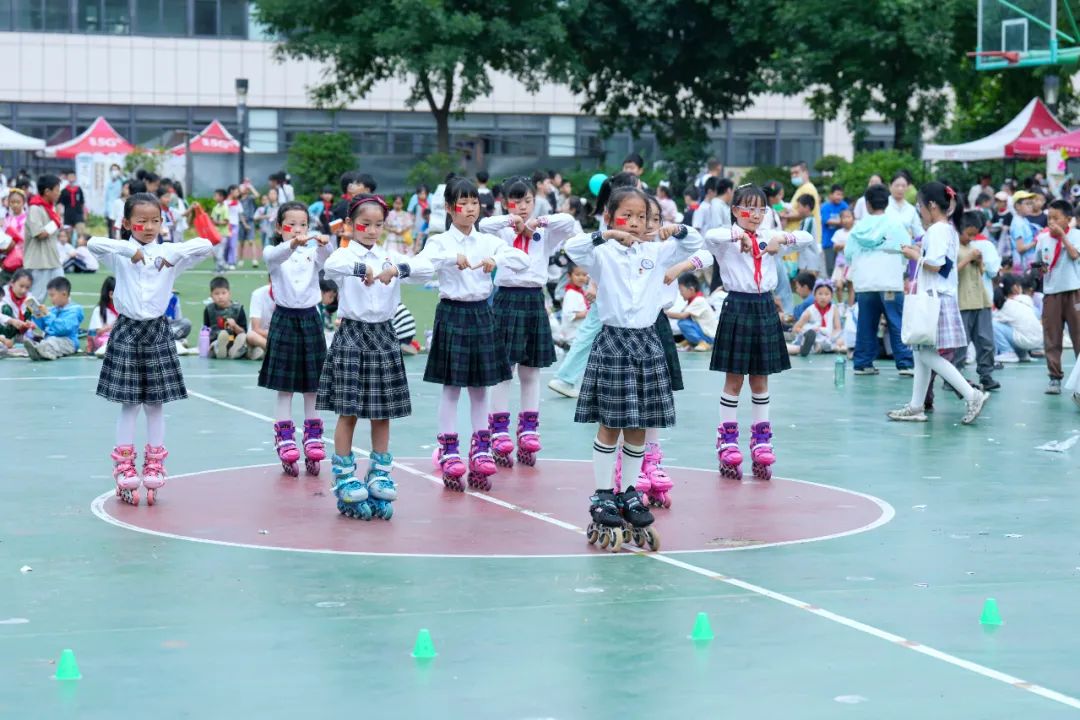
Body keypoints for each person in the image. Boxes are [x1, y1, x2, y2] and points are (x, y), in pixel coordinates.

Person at [564, 186, 701, 551]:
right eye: (628, 215)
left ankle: (630, 492)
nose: (636, 222)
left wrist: (676, 229)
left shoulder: (658, 250)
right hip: (613, 341)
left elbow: (696, 244)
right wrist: (607, 234)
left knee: (639, 423)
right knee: (610, 423)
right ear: (611, 217)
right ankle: (603, 493)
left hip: (646, 342)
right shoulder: (603, 253)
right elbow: (573, 248)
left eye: (643, 216)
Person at [88, 193, 213, 505]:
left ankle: (156, 460)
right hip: (128, 329)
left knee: (155, 404)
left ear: (163, 222)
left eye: (155, 220)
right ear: (127, 223)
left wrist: (173, 254)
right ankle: (124, 462)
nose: (148, 226)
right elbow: (92, 243)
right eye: (141, 221)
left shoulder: (168, 251)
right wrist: (129, 249)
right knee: (129, 404)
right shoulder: (119, 254)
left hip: (157, 330)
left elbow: (207, 245)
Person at [319, 194, 434, 520]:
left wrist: (395, 268)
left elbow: (425, 269)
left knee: (383, 411)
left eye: (378, 225)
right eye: (364, 224)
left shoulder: (390, 256)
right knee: (349, 411)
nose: (371, 230)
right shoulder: (345, 254)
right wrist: (365, 269)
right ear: (351, 225)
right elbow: (331, 266)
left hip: (384, 335)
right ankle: (343, 475)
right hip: (353, 334)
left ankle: (380, 471)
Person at [416, 177, 529, 491]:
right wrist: (452, 259)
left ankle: (481, 447)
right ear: (450, 209)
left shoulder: (487, 241)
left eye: (474, 203)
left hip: (482, 313)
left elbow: (522, 259)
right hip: (453, 312)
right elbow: (419, 267)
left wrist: (499, 259)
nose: (469, 209)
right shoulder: (440, 242)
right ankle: (449, 449)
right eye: (462, 203)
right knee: (451, 389)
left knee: (481, 389)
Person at [705, 184, 812, 481]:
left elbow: (807, 237)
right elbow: (709, 235)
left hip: (764, 305)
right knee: (735, 378)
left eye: (760, 209)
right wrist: (737, 234)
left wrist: (781, 238)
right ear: (735, 210)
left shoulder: (768, 236)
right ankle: (727, 438)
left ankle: (761, 438)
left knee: (760, 379)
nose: (754, 214)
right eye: (747, 208)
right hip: (738, 304)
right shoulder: (726, 239)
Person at [479, 176, 577, 469]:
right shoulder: (500, 232)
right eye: (515, 201)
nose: (522, 207)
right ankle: (497, 429)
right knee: (504, 370)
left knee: (531, 370)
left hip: (534, 300)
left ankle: (529, 427)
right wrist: (511, 221)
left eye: (527, 201)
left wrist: (538, 222)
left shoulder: (544, 232)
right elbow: (483, 226)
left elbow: (569, 223)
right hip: (507, 299)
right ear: (504, 202)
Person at [888, 182, 990, 424]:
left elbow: (936, 265)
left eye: (920, 206)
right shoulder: (947, 230)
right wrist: (919, 252)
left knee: (926, 354)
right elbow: (941, 264)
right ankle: (916, 405)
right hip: (940, 297)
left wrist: (914, 255)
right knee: (921, 352)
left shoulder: (937, 230)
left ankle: (971, 394)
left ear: (931, 206)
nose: (919, 211)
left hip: (935, 298)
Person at [547, 172, 642, 399]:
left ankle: (572, 377)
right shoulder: (613, 218)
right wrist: (594, 284)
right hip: (612, 283)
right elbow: (599, 253)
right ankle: (568, 377)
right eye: (637, 185)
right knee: (597, 331)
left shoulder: (618, 214)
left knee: (596, 332)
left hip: (614, 283)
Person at [257, 201, 333, 476]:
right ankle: (285, 437)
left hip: (310, 318)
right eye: (291, 225)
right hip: (285, 319)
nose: (298, 230)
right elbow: (274, 256)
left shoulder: (313, 253)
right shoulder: (274, 252)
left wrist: (324, 243)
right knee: (285, 387)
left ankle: (313, 435)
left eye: (303, 225)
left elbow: (331, 260)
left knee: (313, 385)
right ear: (279, 227)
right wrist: (292, 243)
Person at [846, 183, 915, 376]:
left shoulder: (858, 228)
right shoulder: (895, 224)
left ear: (867, 205)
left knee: (866, 323)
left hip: (865, 283)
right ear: (887, 203)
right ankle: (905, 363)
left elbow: (849, 254)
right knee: (896, 322)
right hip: (890, 281)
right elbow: (906, 251)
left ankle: (862, 363)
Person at [1035, 198, 1080, 395]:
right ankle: (1054, 377)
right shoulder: (1043, 239)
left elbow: (1074, 255)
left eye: (1056, 218)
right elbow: (1039, 263)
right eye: (1049, 218)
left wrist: (1063, 236)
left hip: (1074, 291)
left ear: (1068, 219)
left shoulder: (1077, 235)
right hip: (1051, 292)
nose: (1051, 222)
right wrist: (1041, 267)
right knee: (1052, 336)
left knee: (1078, 334)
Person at [952, 211, 1000, 391]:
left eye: (974, 234)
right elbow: (949, 274)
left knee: (986, 340)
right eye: (968, 234)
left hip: (981, 299)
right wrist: (968, 259)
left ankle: (986, 375)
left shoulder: (975, 247)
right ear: (959, 229)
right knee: (960, 343)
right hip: (962, 301)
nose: (971, 238)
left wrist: (979, 261)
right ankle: (953, 376)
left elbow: (982, 273)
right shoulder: (953, 248)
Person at [24, 276, 82, 361]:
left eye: (52, 295)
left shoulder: (75, 310)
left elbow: (63, 329)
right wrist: (38, 316)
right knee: (46, 341)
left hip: (68, 341)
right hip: (50, 339)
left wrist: (47, 314)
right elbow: (46, 327)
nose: (51, 299)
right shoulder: (54, 309)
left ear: (64, 294)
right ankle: (40, 351)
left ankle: (44, 352)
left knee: (53, 342)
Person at [24, 175, 64, 301]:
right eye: (57, 189)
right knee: (36, 298)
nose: (59, 193)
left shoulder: (50, 208)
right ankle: (26, 320)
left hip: (53, 260)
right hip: (39, 262)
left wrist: (56, 220)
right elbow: (39, 234)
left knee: (63, 293)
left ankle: (60, 320)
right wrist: (56, 222)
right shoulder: (35, 208)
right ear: (47, 191)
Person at [787, 278, 844, 356]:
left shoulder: (834, 309)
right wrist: (805, 331)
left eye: (826, 294)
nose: (823, 297)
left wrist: (831, 337)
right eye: (820, 294)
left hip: (829, 337)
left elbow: (838, 328)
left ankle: (824, 347)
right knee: (800, 344)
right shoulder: (810, 311)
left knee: (841, 340)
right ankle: (812, 347)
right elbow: (796, 328)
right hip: (813, 337)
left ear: (831, 296)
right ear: (814, 296)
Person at [993, 275, 1043, 361]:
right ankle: (1022, 354)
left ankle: (1007, 352)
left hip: (1026, 340)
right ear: (1016, 288)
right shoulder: (1027, 299)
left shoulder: (1007, 305)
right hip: (1039, 340)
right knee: (1017, 325)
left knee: (993, 325)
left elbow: (995, 322)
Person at [666, 273, 718, 351]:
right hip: (706, 333)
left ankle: (702, 342)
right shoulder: (693, 301)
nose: (680, 294)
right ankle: (691, 341)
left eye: (682, 290)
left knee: (683, 323)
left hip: (711, 337)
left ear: (691, 289)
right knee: (686, 321)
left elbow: (682, 316)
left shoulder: (699, 300)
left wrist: (664, 313)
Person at [203, 276, 249, 359]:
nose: (220, 297)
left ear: (229, 293)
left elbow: (244, 332)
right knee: (220, 337)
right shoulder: (209, 309)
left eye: (223, 293)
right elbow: (206, 330)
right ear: (211, 295)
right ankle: (220, 348)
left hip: (234, 339)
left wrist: (235, 326)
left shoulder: (238, 309)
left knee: (242, 337)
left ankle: (234, 351)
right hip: (216, 340)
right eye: (216, 294)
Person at [820, 184, 848, 275]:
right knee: (831, 267)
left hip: (842, 242)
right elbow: (827, 220)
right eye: (837, 194)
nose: (839, 197)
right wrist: (842, 221)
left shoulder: (844, 206)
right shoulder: (825, 207)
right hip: (829, 242)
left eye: (841, 195)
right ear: (831, 195)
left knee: (843, 266)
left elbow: (848, 217)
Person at [559, 263, 590, 346]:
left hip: (581, 333)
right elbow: (569, 315)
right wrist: (587, 313)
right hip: (573, 336)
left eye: (584, 275)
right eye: (577, 274)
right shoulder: (570, 293)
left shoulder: (582, 291)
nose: (581, 277)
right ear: (569, 276)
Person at [885, 172, 923, 241]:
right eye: (897, 185)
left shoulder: (911, 209)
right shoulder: (883, 205)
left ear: (908, 187)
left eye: (903, 186)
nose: (900, 189)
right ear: (890, 186)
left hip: (905, 248)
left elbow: (918, 231)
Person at [0, 269, 33, 347]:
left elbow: (32, 319)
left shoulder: (30, 298)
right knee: (6, 309)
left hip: (18, 329)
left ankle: (19, 338)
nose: (23, 290)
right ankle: (5, 339)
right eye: (21, 286)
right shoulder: (3, 294)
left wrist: (29, 325)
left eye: (27, 287)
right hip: (3, 328)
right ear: (12, 283)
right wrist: (11, 321)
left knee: (30, 309)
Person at [0, 188, 27, 284]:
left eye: (18, 202)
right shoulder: (6, 220)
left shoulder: (28, 219)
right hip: (7, 258)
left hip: (23, 259)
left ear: (23, 202)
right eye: (12, 202)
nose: (15, 205)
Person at [88, 275, 117, 356]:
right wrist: (111, 326)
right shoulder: (99, 310)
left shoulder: (122, 308)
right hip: (103, 338)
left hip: (117, 336)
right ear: (111, 294)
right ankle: (104, 351)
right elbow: (96, 332)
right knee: (109, 342)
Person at [247, 279, 274, 361]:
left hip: (279, 337)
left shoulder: (290, 296)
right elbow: (255, 329)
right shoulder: (258, 294)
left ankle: (260, 351)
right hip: (260, 336)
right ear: (270, 282)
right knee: (251, 335)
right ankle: (274, 351)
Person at [58, 171, 86, 240]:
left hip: (78, 214)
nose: (71, 178)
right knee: (68, 236)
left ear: (75, 178)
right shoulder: (64, 191)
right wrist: (59, 215)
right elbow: (60, 204)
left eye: (73, 177)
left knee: (81, 234)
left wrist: (85, 214)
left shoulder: (79, 190)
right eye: (69, 177)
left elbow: (82, 203)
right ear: (67, 178)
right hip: (68, 215)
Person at [104, 164, 124, 232]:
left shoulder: (122, 181)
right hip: (110, 209)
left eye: (116, 169)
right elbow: (106, 198)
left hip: (119, 208)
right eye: (112, 170)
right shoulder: (108, 183)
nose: (114, 171)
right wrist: (105, 211)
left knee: (119, 229)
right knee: (111, 230)